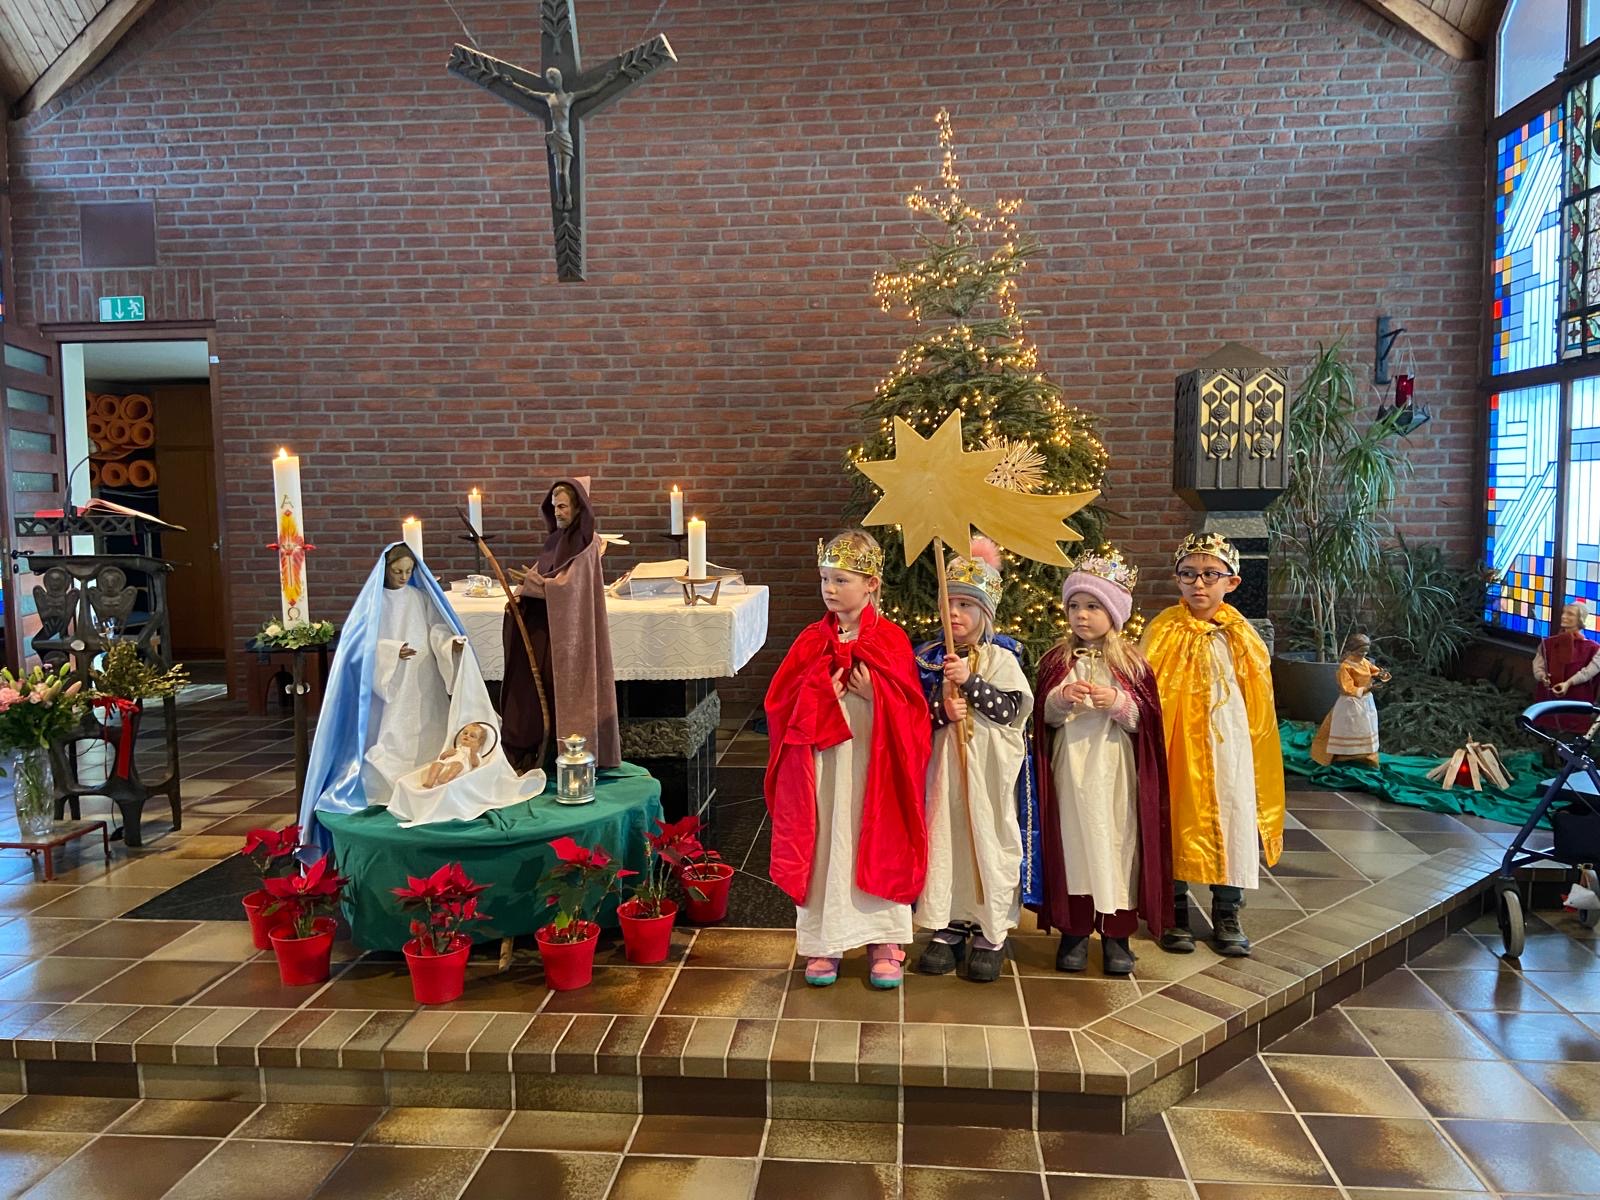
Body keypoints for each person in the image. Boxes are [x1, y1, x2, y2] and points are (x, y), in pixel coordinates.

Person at [763, 530, 931, 990]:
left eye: (841, 580)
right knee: (829, 841)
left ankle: (884, 941)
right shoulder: (809, 640)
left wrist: (877, 693)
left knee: (875, 836)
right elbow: (779, 705)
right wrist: (818, 693)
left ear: (872, 583)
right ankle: (826, 940)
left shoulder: (892, 641)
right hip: (826, 766)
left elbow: (914, 712)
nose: (830, 590)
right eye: (824, 580)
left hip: (873, 766)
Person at [299, 544, 519, 845]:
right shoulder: (374, 604)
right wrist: (390, 652)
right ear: (385, 570)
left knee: (428, 726)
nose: (403, 577)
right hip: (392, 683)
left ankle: (429, 780)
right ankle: (386, 785)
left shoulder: (419, 598)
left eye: (408, 571)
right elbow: (359, 648)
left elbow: (436, 631)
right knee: (393, 734)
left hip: (423, 676)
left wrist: (450, 644)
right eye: (397, 571)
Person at [1142, 532, 1284, 958]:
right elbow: (1145, 686)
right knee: (1175, 818)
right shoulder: (1164, 628)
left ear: (1231, 582)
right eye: (1189, 575)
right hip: (1176, 744)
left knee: (1232, 818)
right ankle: (1174, 910)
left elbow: (1258, 699)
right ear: (1177, 579)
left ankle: (1227, 909)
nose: (1198, 585)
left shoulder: (1242, 635)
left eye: (1209, 575)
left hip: (1228, 748)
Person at [1032, 549, 1171, 976]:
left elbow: (1145, 722)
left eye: (1093, 606)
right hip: (1069, 770)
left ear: (1114, 612)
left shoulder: (1131, 664)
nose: (1082, 615)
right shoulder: (1057, 662)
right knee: (1073, 844)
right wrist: (1059, 699)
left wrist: (1118, 702)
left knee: (1116, 846)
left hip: (1114, 772)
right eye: (1075, 606)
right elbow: (1043, 718)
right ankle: (1074, 932)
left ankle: (1116, 934)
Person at [914, 538, 1034, 983]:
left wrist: (972, 682)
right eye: (951, 604)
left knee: (988, 840)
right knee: (946, 840)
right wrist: (940, 711)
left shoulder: (1003, 658)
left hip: (986, 777)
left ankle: (990, 929)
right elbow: (912, 719)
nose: (956, 615)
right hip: (943, 775)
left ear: (986, 614)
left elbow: (1010, 711)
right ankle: (948, 922)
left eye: (967, 605)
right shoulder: (928, 660)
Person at [501, 478, 621, 772]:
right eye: (554, 506)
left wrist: (532, 583)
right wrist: (523, 593)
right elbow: (544, 575)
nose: (557, 512)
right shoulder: (555, 540)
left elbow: (569, 589)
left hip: (572, 633)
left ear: (579, 506)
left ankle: (577, 756)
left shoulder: (587, 542)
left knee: (569, 694)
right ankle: (539, 754)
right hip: (547, 627)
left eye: (563, 506)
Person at [1310, 633, 1390, 766]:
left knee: (1366, 728)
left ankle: (1366, 756)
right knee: (1347, 728)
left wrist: (1382, 675)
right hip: (1351, 703)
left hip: (1366, 702)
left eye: (1366, 651)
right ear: (1353, 649)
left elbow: (1374, 671)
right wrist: (1368, 688)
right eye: (1361, 651)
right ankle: (1343, 756)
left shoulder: (1365, 662)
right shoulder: (1346, 667)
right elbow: (1348, 688)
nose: (1364, 654)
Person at [1535, 601, 1600, 732]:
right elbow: (1538, 664)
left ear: (1580, 619)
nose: (1564, 616)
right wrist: (1542, 677)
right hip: (1548, 699)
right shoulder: (1547, 643)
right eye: (1564, 613)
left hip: (1575, 701)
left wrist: (1568, 683)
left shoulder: (1593, 648)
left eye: (1570, 614)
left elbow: (1588, 672)